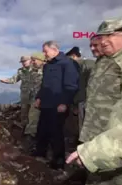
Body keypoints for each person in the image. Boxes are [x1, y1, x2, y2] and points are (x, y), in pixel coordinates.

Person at [67, 6, 122, 185]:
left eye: (108, 37)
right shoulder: (101, 63)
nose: (101, 44)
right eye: (99, 40)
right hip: (95, 132)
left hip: (115, 140)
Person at [33, 41, 79, 170]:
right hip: (46, 104)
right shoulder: (48, 66)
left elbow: (71, 86)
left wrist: (65, 102)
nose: (44, 54)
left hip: (58, 105)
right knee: (42, 130)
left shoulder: (68, 63)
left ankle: (58, 162)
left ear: (54, 50)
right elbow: (45, 85)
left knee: (56, 133)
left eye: (45, 51)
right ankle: (40, 153)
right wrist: (38, 98)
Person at [0, 56, 36, 135]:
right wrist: (5, 81)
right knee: (24, 113)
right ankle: (24, 130)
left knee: (33, 114)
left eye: (25, 61)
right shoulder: (21, 71)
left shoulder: (36, 69)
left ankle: (32, 133)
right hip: (25, 95)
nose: (23, 63)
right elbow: (14, 79)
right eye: (22, 62)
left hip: (35, 95)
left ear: (30, 61)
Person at [66, 46, 95, 144]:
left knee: (86, 126)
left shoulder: (86, 65)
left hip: (87, 101)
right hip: (82, 101)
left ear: (74, 56)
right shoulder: (80, 66)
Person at [24, 52, 46, 149]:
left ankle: (31, 138)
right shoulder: (33, 71)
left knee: (35, 118)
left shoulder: (47, 70)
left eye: (34, 60)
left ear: (41, 60)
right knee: (32, 117)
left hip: (43, 99)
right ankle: (31, 138)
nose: (32, 62)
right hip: (33, 98)